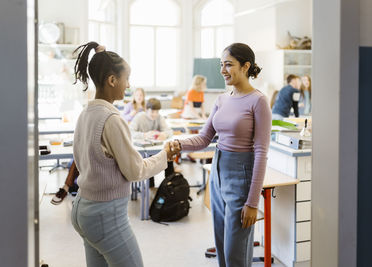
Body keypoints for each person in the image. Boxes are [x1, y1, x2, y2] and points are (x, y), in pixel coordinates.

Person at [70, 42, 177, 267]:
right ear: (112, 80)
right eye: (126, 79)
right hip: (104, 215)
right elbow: (135, 170)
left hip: (83, 209)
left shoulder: (85, 113)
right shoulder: (112, 119)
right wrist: (164, 154)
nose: (128, 85)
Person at [170, 43, 272, 267]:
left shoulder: (258, 101)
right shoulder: (222, 100)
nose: (222, 70)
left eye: (228, 65)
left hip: (241, 175)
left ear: (246, 66)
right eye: (221, 65)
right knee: (222, 246)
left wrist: (253, 202)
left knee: (235, 249)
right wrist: (178, 144)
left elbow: (261, 151)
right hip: (217, 173)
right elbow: (205, 138)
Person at [130, 98, 175, 185]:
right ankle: (150, 187)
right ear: (146, 110)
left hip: (156, 149)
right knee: (149, 163)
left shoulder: (159, 117)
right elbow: (130, 132)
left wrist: (164, 135)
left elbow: (169, 131)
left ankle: (169, 186)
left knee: (169, 157)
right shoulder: (139, 117)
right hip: (143, 152)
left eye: (157, 112)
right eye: (152, 112)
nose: (154, 114)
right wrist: (144, 135)